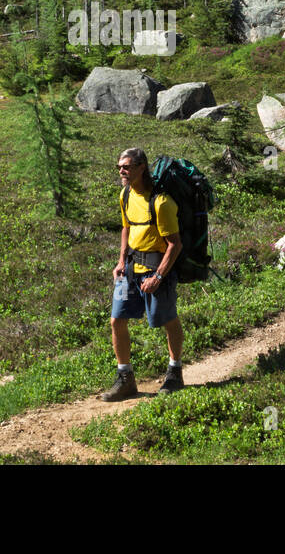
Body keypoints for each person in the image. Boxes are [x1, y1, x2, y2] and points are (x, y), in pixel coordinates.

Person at [100, 147, 184, 401]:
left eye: (126, 167)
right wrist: (120, 260)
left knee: (167, 319)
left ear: (141, 167)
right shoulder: (125, 195)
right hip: (129, 270)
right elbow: (126, 228)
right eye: (119, 167)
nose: (121, 171)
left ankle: (175, 372)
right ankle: (125, 379)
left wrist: (158, 276)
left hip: (156, 271)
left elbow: (175, 244)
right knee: (117, 319)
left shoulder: (161, 202)